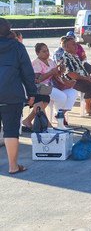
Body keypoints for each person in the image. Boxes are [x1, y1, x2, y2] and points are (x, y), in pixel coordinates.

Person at [0, 18, 36, 174]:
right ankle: (13, 166)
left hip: (10, 94)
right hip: (11, 94)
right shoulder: (17, 47)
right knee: (11, 130)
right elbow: (27, 72)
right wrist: (32, 93)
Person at [28, 43, 78, 125]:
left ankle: (60, 114)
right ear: (37, 53)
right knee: (62, 96)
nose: (47, 53)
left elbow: (57, 75)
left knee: (73, 92)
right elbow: (37, 80)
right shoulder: (35, 63)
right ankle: (59, 115)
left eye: (47, 50)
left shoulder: (50, 61)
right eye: (44, 51)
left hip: (54, 85)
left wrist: (61, 71)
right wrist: (51, 72)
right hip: (41, 88)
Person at [62, 38, 91, 116]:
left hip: (82, 78)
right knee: (90, 88)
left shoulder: (75, 56)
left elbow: (82, 70)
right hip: (73, 81)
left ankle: (89, 106)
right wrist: (86, 78)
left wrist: (88, 77)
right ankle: (88, 108)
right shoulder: (65, 58)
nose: (76, 46)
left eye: (76, 44)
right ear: (66, 47)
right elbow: (71, 74)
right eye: (73, 44)